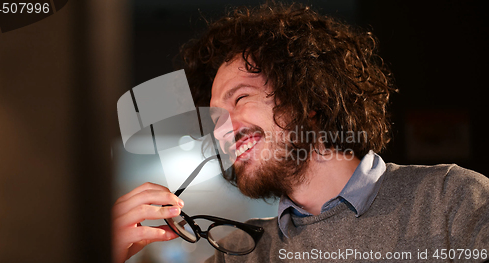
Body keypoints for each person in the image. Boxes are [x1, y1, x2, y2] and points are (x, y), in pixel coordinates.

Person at [112, 3, 489, 263]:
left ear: (311, 95)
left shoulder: (452, 202)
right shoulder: (239, 253)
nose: (222, 131)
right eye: (214, 120)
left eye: (241, 98)